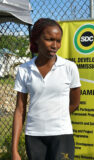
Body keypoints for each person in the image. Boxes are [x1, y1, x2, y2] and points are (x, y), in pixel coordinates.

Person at [11, 18, 81, 160]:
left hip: (62, 135)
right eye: (49, 39)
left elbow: (75, 103)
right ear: (36, 39)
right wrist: (14, 149)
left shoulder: (69, 67)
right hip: (34, 136)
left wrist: (56, 116)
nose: (55, 45)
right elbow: (19, 110)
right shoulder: (24, 70)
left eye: (58, 40)